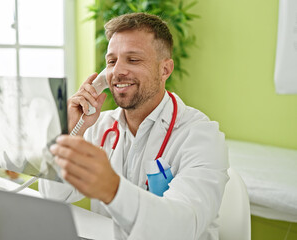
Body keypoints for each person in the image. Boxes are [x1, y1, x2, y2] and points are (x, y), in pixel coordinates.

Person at [39, 12, 229, 240]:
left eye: (133, 59)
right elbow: (52, 196)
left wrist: (113, 189)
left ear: (165, 70)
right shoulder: (98, 127)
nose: (117, 71)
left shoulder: (201, 136)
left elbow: (183, 228)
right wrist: (69, 130)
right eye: (111, 61)